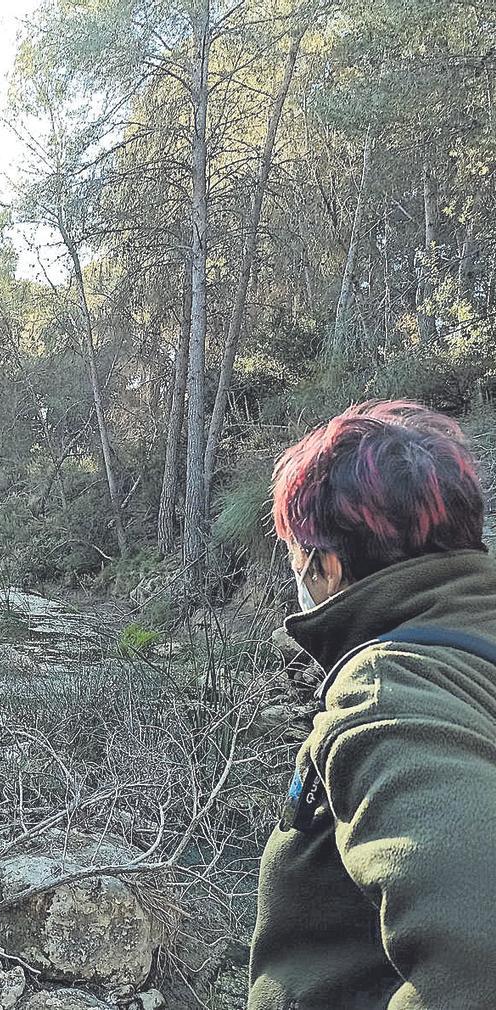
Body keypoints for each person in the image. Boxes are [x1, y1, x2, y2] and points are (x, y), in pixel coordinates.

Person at [248, 399, 496, 1010]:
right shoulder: (472, 647)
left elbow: (479, 953)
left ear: (326, 563)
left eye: (294, 553)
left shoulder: (387, 690)